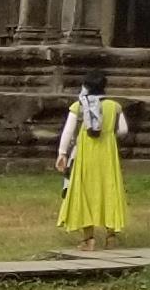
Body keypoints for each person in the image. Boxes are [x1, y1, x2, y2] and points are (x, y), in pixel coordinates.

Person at [52, 70, 129, 250]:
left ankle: (89, 239)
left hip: (86, 153)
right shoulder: (115, 106)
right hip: (107, 154)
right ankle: (111, 237)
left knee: (84, 191)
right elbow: (123, 130)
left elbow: (68, 131)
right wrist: (109, 135)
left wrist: (62, 153)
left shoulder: (79, 106)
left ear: (85, 87)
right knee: (109, 190)